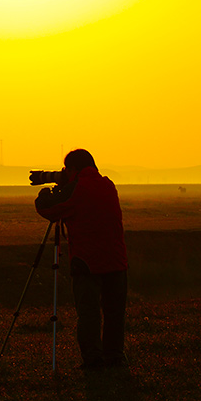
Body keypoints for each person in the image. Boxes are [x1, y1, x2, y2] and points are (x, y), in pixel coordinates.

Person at [34, 149, 128, 369]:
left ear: (73, 169)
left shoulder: (76, 189)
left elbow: (48, 208)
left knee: (89, 313)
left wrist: (46, 192)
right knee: (114, 313)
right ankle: (115, 357)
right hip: (117, 260)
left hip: (87, 262)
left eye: (66, 169)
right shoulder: (108, 184)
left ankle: (93, 360)